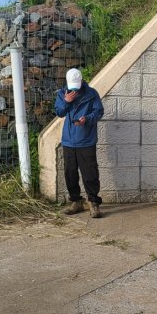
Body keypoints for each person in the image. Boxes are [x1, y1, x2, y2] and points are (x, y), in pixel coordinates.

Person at [55, 68, 105, 218]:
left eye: (77, 85)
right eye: (72, 86)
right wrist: (66, 102)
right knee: (70, 173)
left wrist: (87, 119)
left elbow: (99, 112)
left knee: (90, 173)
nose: (74, 89)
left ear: (82, 81)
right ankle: (76, 201)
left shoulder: (91, 94)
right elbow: (59, 112)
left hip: (86, 140)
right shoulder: (62, 93)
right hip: (69, 141)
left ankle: (93, 202)